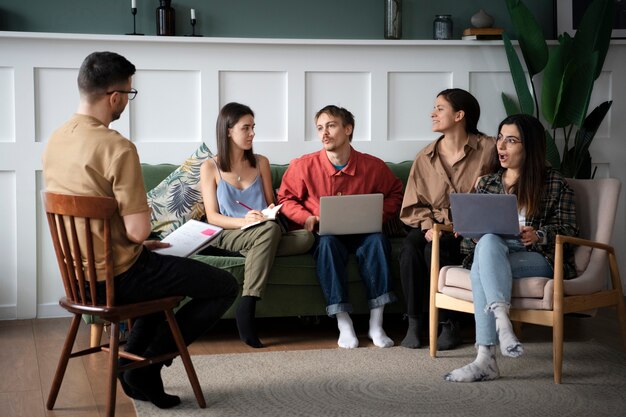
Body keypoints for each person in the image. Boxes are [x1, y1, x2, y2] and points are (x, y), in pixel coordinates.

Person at [42, 51, 239, 409]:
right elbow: (137, 232)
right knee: (225, 286)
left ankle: (132, 365)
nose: (126, 103)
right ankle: (145, 369)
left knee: (156, 275)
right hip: (117, 277)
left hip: (78, 277)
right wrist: (139, 239)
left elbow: (119, 232)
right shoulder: (116, 146)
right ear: (114, 96)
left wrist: (134, 242)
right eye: (129, 95)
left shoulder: (56, 140)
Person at [444, 114, 578, 382]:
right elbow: (471, 242)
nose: (501, 147)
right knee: (489, 242)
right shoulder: (486, 182)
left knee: (483, 264)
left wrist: (538, 235)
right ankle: (502, 322)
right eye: (500, 139)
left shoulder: (555, 183)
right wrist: (470, 230)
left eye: (511, 141)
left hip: (535, 256)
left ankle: (486, 359)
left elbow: (570, 231)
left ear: (530, 146)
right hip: (494, 252)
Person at [277, 105, 404, 349]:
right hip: (327, 235)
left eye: (331, 126)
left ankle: (376, 324)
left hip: (365, 233)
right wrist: (307, 216)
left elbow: (396, 192)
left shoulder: (373, 166)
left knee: (378, 241)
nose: (324, 133)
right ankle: (343, 323)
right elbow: (285, 199)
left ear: (348, 129)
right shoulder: (303, 166)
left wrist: (377, 215)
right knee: (326, 245)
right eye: (320, 128)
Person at [199, 102, 314, 348]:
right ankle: (248, 304)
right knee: (270, 232)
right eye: (246, 128)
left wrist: (267, 214)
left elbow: (271, 205)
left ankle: (254, 251)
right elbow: (212, 217)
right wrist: (245, 221)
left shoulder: (261, 162)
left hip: (264, 230)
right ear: (228, 130)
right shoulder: (211, 167)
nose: (252, 134)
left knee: (307, 238)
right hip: (228, 231)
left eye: (253, 128)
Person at [399, 88, 494, 349]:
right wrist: (430, 227)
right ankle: (414, 322)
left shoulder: (489, 149)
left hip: (471, 227)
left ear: (459, 115)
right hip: (434, 224)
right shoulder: (424, 157)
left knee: (435, 249)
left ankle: (449, 323)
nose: (433, 113)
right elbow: (411, 207)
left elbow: (509, 183)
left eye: (440, 108)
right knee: (410, 248)